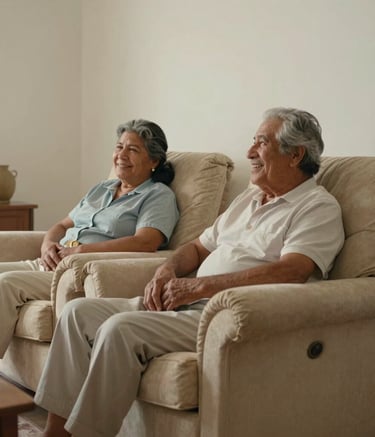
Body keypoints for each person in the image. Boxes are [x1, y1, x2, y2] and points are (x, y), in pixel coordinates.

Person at [34, 107, 345, 437]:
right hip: (187, 302)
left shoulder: (316, 207)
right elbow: (197, 248)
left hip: (224, 315)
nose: (250, 152)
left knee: (119, 329)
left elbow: (293, 270)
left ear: (295, 154)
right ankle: (55, 432)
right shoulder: (250, 199)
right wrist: (167, 271)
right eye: (253, 141)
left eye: (261, 143)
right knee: (77, 313)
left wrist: (200, 288)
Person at [0, 119, 179, 358]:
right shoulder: (102, 188)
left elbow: (145, 242)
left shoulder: (158, 195)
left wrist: (81, 252)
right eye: (119, 147)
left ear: (154, 161)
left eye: (133, 149)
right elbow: (63, 224)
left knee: (6, 283)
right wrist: (47, 245)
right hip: (52, 261)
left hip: (75, 272)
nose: (121, 155)